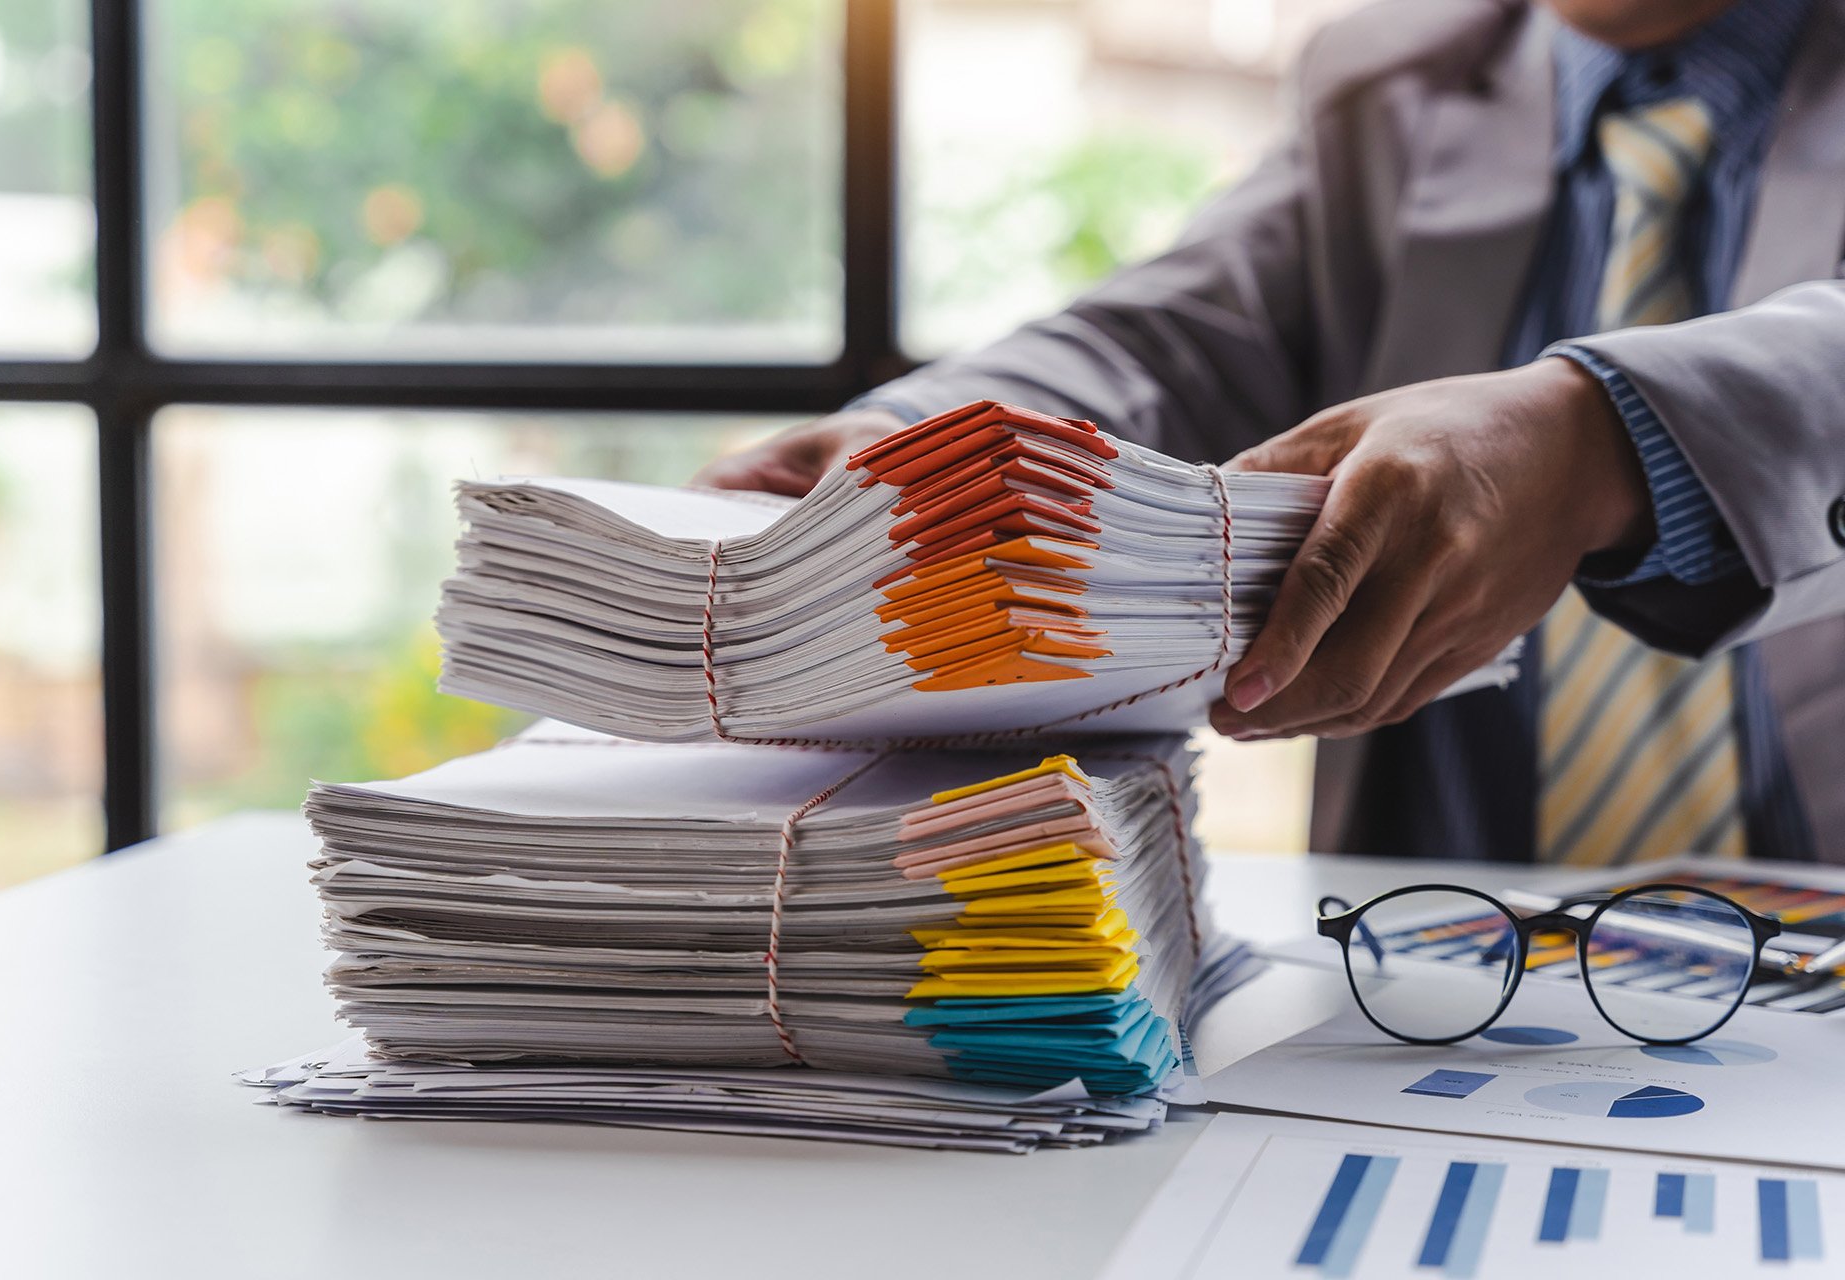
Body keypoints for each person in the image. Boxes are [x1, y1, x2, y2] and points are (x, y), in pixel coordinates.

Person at [695, 0, 1845, 864]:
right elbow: (1172, 332)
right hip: (1441, 987)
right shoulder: (1396, 80)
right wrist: (914, 437)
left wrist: (1604, 437)